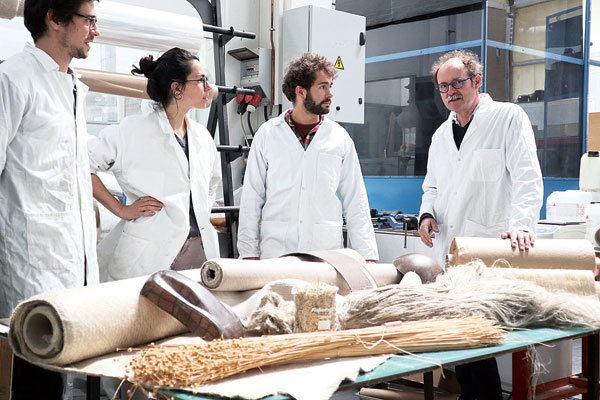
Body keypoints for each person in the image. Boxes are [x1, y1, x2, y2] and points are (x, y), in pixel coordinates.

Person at [418, 49, 543, 400]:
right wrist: (427, 214)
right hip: (451, 252)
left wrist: (522, 224)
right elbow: (432, 186)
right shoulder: (441, 136)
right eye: (443, 86)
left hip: (490, 248)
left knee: (476, 340)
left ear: (476, 80)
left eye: (458, 82)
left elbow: (527, 177)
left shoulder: (507, 118)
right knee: (463, 341)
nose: (450, 91)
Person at [0, 0, 100, 398]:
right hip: (32, 259)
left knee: (65, 377)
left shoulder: (72, 85)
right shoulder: (13, 79)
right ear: (55, 19)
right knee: (33, 381)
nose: (96, 30)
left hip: (73, 261)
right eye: (89, 20)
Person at [88, 47, 221, 282]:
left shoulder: (202, 136)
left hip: (198, 250)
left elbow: (211, 182)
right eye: (201, 81)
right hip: (149, 252)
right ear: (176, 88)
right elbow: (83, 167)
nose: (209, 88)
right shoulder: (132, 132)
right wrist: (121, 209)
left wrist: (201, 207)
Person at [237, 53, 378, 262]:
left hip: (325, 253)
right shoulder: (267, 135)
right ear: (301, 91)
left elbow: (356, 200)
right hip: (277, 253)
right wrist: (248, 253)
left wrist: (368, 256)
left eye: (330, 86)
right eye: (322, 87)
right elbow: (251, 199)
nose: (330, 94)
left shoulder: (339, 138)